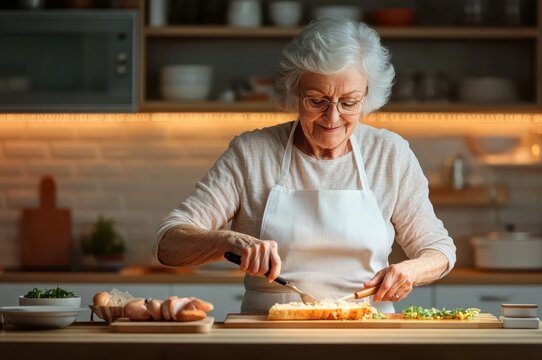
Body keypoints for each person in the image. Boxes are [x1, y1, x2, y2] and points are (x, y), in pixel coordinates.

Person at [154, 18, 456, 314]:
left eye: (349, 103)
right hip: (270, 334)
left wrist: (409, 271)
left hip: (368, 331)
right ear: (295, 92)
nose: (332, 118)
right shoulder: (251, 154)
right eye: (316, 100)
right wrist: (228, 242)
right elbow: (168, 243)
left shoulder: (390, 154)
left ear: (367, 96)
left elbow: (439, 250)